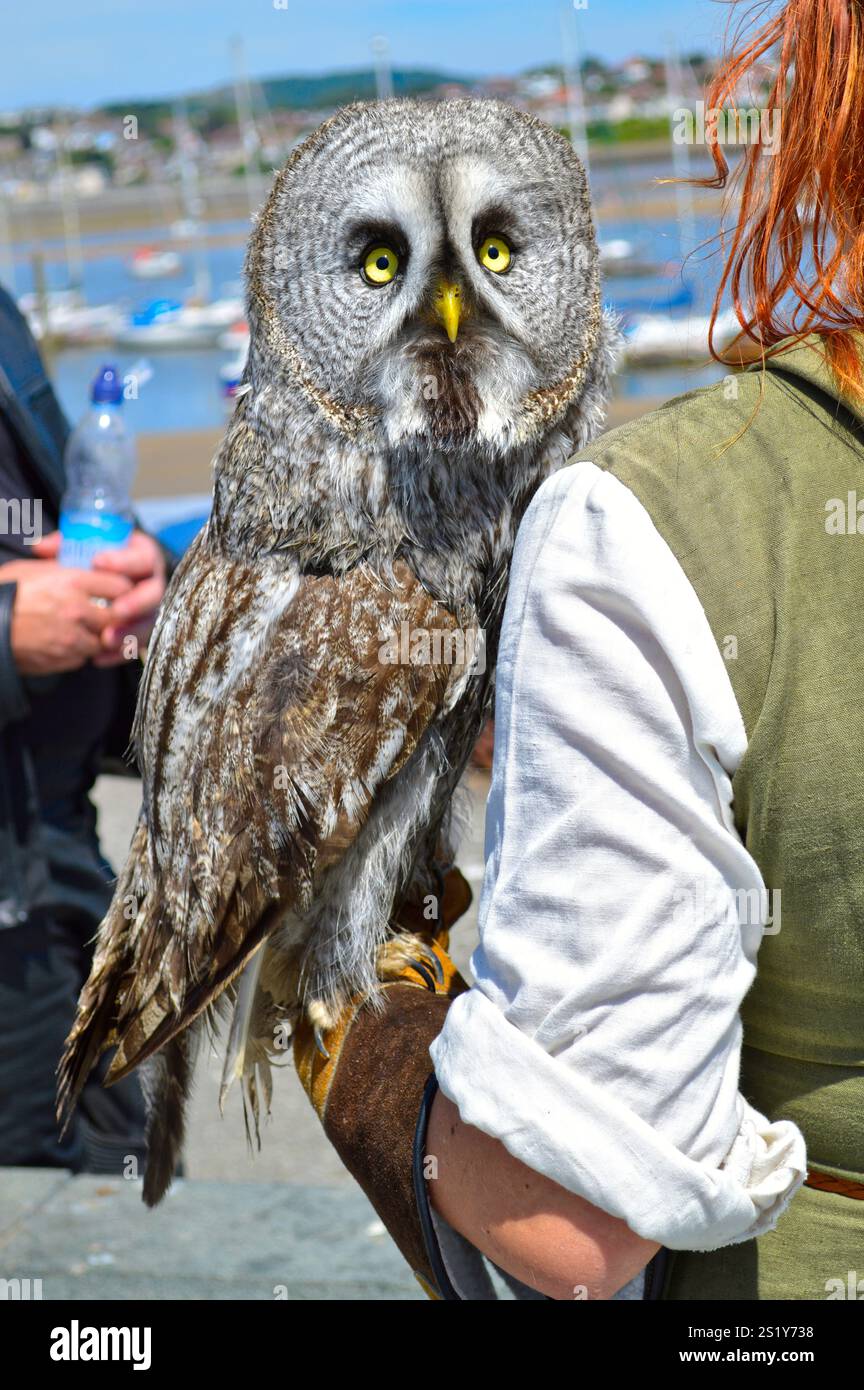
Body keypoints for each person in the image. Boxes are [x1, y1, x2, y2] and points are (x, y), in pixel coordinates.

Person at [292, 0, 864, 1300]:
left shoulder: (674, 510)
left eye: (500, 252)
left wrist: (349, 1000)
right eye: (384, 264)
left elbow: (572, 1230)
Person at [0, 282, 167, 1175]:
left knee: (125, 1182)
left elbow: (59, 512)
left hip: (61, 856)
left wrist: (143, 575)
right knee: (38, 1211)